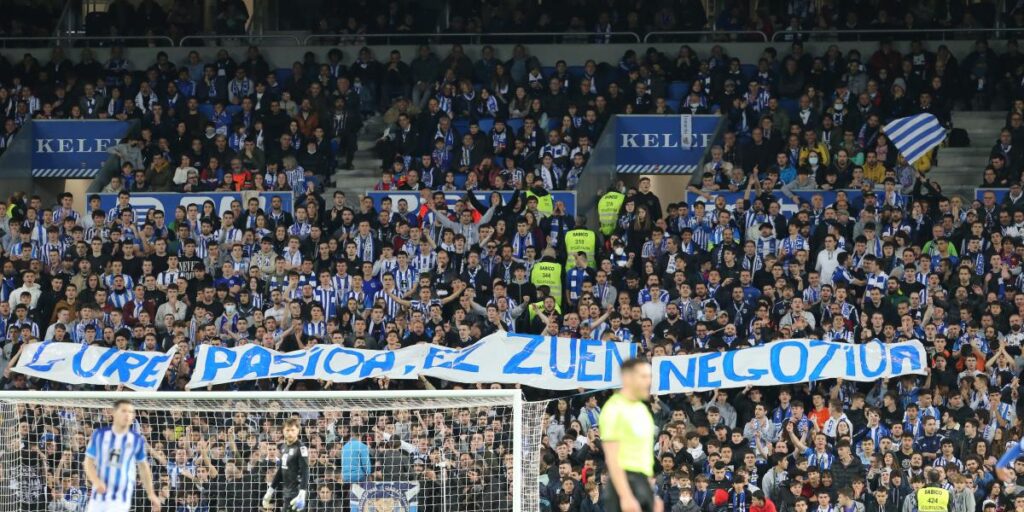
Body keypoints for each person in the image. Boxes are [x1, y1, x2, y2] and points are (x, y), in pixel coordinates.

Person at [600, 358, 656, 512]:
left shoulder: (642, 410)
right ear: (627, 378)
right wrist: (625, 496)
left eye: (650, 376)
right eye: (643, 376)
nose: (649, 381)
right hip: (625, 482)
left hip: (643, 481)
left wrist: (651, 493)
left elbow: (644, 454)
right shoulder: (614, 408)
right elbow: (612, 457)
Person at [84, 399, 160, 512]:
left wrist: (151, 493)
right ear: (114, 413)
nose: (127, 415)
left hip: (121, 497)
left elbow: (143, 467)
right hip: (98, 496)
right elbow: (88, 462)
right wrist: (96, 481)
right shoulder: (100, 435)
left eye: (130, 412)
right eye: (123, 411)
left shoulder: (137, 440)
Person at [263, 417, 310, 512]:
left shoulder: (301, 448)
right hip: (286, 493)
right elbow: (281, 471)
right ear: (283, 431)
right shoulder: (283, 447)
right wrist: (270, 490)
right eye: (287, 430)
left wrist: (302, 492)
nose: (290, 433)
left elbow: (305, 471)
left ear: (298, 431)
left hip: (297, 494)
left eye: (292, 430)